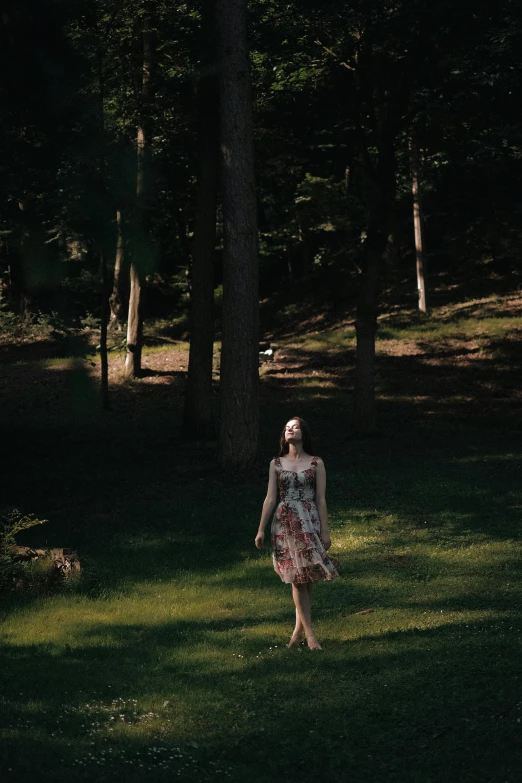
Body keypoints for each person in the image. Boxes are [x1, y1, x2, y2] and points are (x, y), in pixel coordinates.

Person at [255, 416, 339, 650]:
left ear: (304, 433)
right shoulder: (276, 463)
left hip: (309, 521)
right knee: (297, 579)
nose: (290, 430)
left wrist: (325, 530)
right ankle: (310, 636)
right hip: (285, 523)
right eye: (287, 428)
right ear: (284, 435)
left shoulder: (316, 463)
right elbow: (271, 498)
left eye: (295, 427)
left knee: (307, 577)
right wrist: (261, 529)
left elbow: (321, 499)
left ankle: (297, 632)